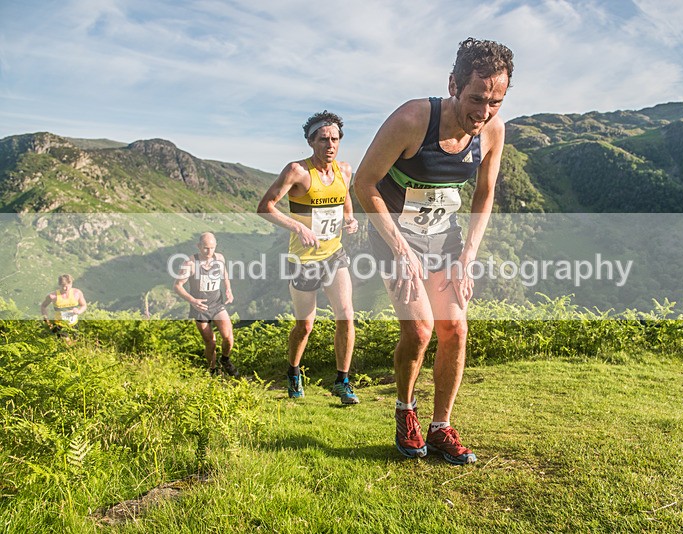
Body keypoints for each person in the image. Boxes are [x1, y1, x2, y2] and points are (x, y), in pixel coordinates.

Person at [354, 38, 514, 464]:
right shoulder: (411, 119)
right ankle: (405, 411)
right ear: (453, 84)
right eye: (477, 98)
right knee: (420, 330)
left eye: (496, 101)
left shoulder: (493, 131)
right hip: (393, 236)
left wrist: (468, 260)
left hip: (444, 239)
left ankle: (441, 427)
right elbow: (364, 183)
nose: (484, 111)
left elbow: (485, 194)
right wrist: (400, 250)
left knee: (455, 330)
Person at [257, 111, 360, 405]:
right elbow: (265, 207)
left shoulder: (344, 170)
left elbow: (345, 200)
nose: (330, 145)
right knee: (305, 325)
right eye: (323, 139)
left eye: (335, 139)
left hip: (334, 255)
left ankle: (342, 381)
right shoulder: (297, 171)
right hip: (304, 261)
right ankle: (293, 371)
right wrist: (298, 226)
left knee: (346, 314)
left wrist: (350, 220)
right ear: (310, 141)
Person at [173, 232, 239, 377]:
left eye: (212, 248)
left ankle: (225, 359)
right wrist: (193, 301)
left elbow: (224, 275)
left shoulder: (219, 258)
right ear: (198, 246)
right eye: (205, 248)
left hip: (217, 304)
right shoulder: (190, 264)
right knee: (211, 342)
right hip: (200, 308)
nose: (209, 252)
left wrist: (228, 289)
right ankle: (213, 370)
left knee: (228, 336)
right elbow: (177, 286)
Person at [41, 274, 87, 342]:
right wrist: (46, 320)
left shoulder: (77, 293)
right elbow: (43, 306)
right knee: (67, 343)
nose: (67, 288)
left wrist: (79, 311)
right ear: (59, 285)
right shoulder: (53, 296)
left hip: (74, 323)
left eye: (69, 285)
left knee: (75, 343)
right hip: (59, 325)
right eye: (64, 286)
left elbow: (84, 305)